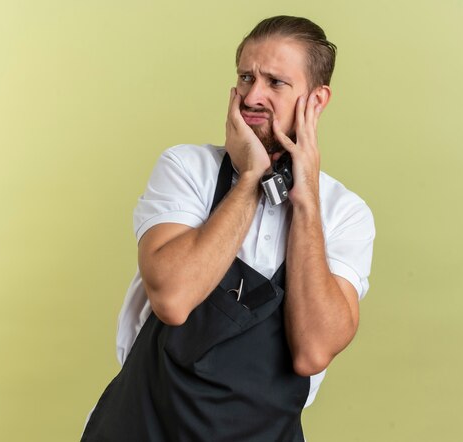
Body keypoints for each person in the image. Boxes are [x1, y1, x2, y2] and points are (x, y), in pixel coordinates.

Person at [82, 15, 375, 441]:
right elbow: (173, 298)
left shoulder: (344, 213)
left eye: (275, 82)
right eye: (245, 76)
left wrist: (307, 201)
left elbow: (313, 351)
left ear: (316, 100)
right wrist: (250, 180)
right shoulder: (187, 169)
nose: (252, 96)